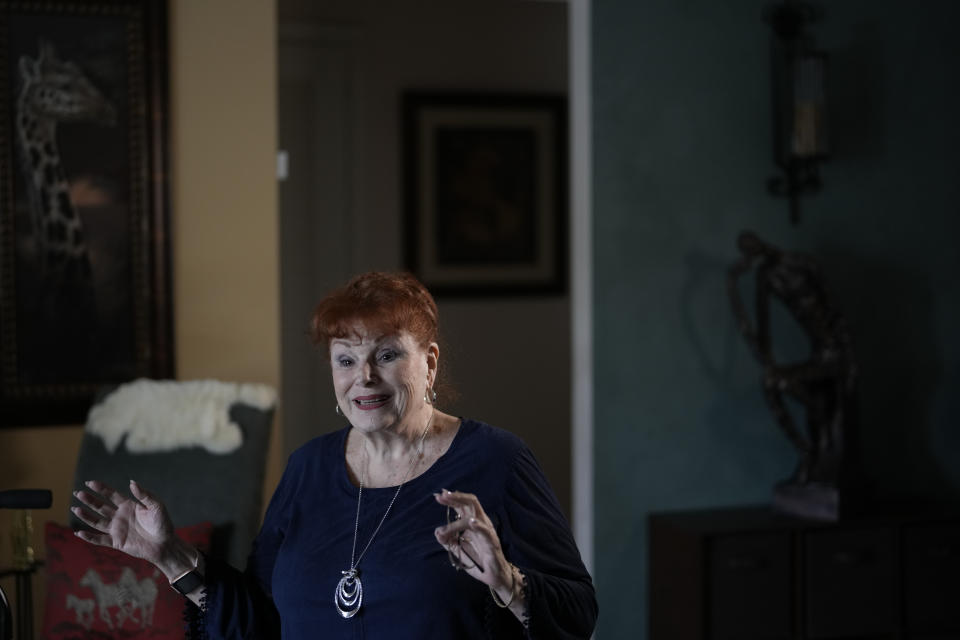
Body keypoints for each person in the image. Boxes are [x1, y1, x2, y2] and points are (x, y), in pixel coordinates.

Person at [72, 271, 597, 639]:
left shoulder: (497, 461)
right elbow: (262, 622)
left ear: (429, 363)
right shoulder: (308, 468)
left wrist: (508, 582)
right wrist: (169, 555)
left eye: (386, 355)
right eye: (346, 359)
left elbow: (578, 614)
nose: (363, 378)